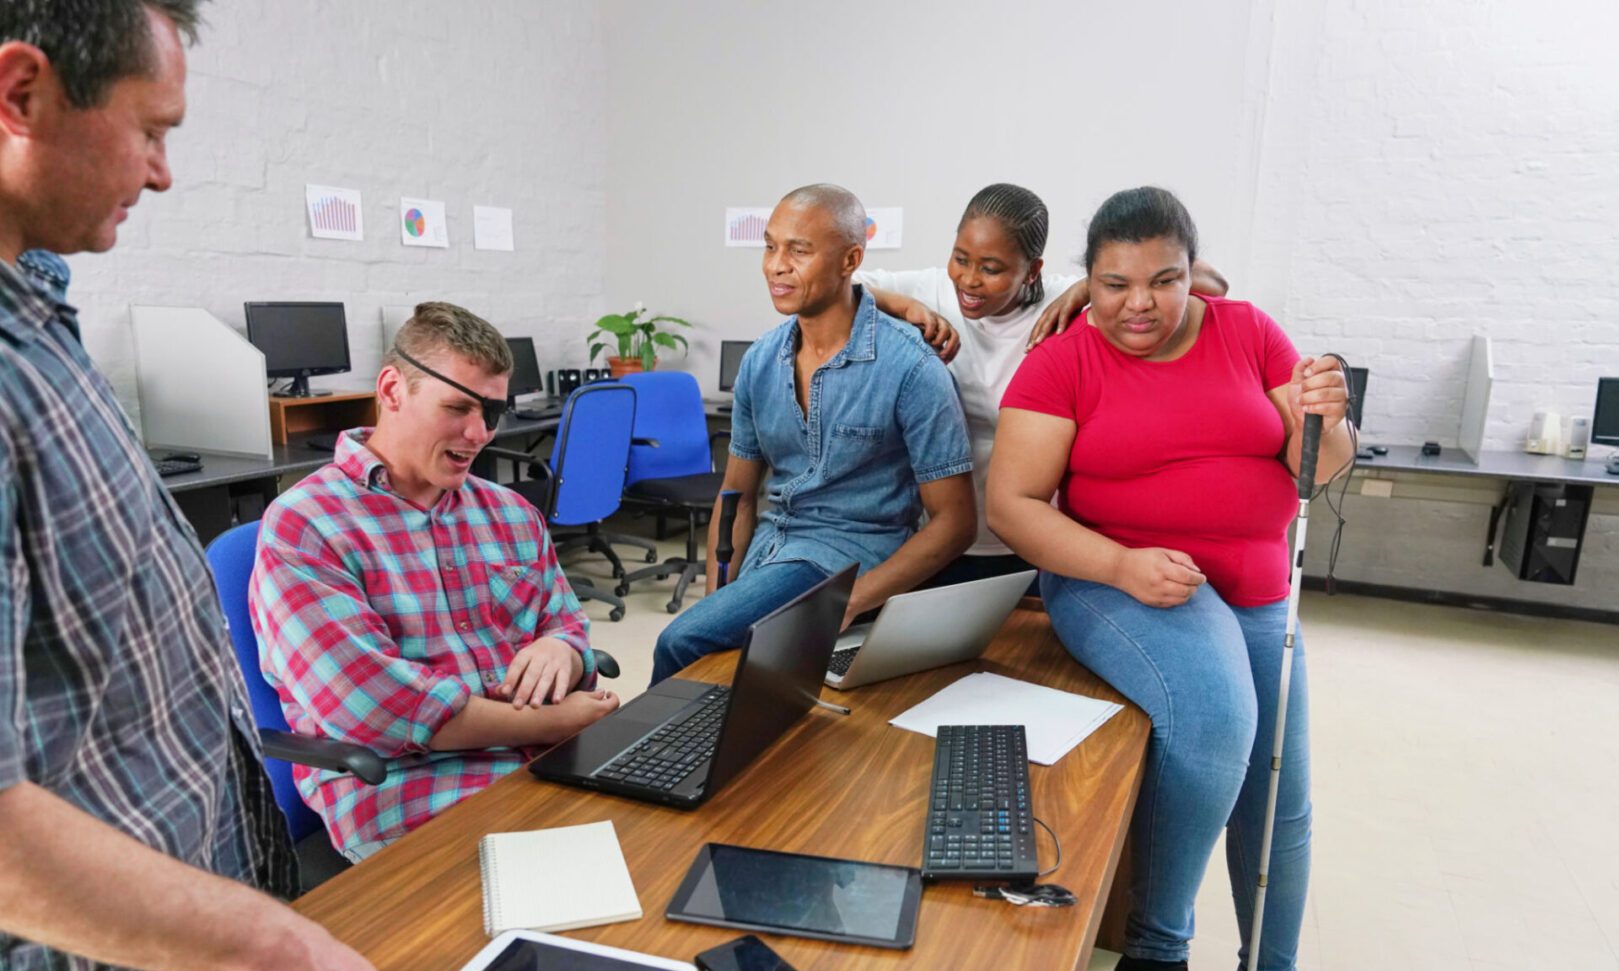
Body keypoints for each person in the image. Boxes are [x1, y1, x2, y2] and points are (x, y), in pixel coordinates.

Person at [0, 4, 458, 971]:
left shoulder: (35, 305)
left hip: (189, 929)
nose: (162, 173)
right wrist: (268, 946)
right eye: (150, 129)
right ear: (19, 94)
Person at [989, 187, 1350, 971]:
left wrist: (1327, 419)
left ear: (1195, 274)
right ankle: (1152, 963)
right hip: (1124, 583)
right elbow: (1012, 505)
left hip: (1258, 589)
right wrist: (1116, 564)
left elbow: (1314, 470)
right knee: (1220, 720)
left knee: (1280, 798)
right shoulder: (1062, 363)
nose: (1138, 304)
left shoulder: (1249, 332)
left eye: (1162, 280)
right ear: (1086, 281)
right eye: (1113, 284)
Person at [251, 302, 619, 862]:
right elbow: (374, 707)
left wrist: (561, 651)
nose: (479, 433)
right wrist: (551, 721)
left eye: (492, 412)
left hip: (545, 758)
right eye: (458, 407)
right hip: (411, 785)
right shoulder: (308, 524)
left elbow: (564, 619)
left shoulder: (509, 511)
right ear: (394, 389)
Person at [651, 184, 975, 684]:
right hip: (771, 552)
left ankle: (647, 762)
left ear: (851, 259)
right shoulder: (761, 361)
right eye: (770, 246)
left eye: (798, 250)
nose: (776, 265)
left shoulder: (911, 368)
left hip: (846, 559)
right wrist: (719, 600)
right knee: (705, 645)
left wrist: (853, 600)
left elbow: (955, 524)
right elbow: (735, 496)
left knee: (679, 641)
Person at [857, 182, 1228, 586]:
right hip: (942, 538)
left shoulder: (1059, 299)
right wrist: (903, 305)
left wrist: (1090, 284)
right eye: (960, 258)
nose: (969, 279)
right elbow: (837, 282)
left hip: (1036, 537)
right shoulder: (929, 290)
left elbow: (1211, 282)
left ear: (1033, 269)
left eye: (992, 268)